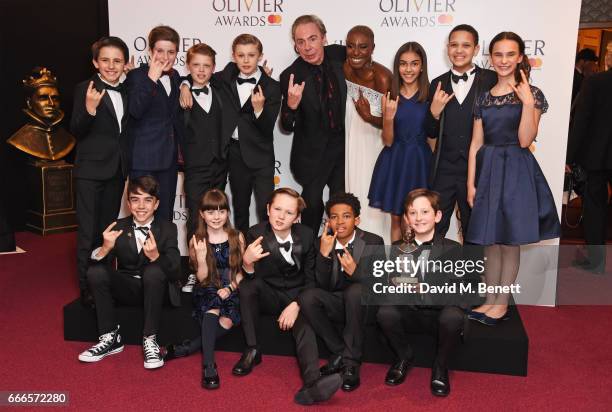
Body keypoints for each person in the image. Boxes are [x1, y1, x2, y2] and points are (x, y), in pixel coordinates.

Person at [466, 32, 560, 324]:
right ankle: (490, 299)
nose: (504, 60)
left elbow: (524, 140)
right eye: (498, 55)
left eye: (510, 54)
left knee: (509, 241)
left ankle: (502, 303)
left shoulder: (533, 94)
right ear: (490, 58)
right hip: (489, 169)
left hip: (517, 170)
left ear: (520, 57)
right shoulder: (482, 97)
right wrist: (471, 183)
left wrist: (528, 103)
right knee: (491, 241)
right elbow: (476, 143)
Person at [78, 175, 181, 369]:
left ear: (156, 204)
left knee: (153, 271)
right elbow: (95, 270)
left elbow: (175, 271)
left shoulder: (168, 228)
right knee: (96, 272)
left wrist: (156, 257)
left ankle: (150, 338)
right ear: (128, 203)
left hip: (158, 290)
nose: (141, 206)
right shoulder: (118, 226)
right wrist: (104, 249)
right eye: (135, 199)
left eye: (147, 200)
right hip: (129, 288)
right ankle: (110, 337)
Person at [377, 189, 467, 397]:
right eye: (413, 213)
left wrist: (427, 290)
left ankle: (440, 366)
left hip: (440, 315)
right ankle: (403, 356)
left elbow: (461, 294)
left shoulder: (454, 249)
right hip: (409, 313)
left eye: (424, 212)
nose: (419, 218)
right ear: (407, 218)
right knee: (384, 312)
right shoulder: (397, 248)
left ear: (437, 216)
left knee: (454, 315)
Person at [296, 192, 384, 399]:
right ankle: (339, 353)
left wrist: (357, 272)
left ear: (357, 220)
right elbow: (321, 286)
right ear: (328, 221)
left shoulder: (373, 241)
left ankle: (351, 364)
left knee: (355, 291)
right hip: (337, 302)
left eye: (346, 216)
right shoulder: (320, 243)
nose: (340, 221)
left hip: (364, 306)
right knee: (308, 297)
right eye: (334, 217)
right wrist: (324, 256)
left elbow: (379, 286)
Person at [163, 189, 245, 389]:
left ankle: (187, 347)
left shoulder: (237, 237)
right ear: (201, 214)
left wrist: (231, 287)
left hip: (233, 288)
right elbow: (202, 278)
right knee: (213, 303)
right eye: (210, 212)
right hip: (207, 286)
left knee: (227, 321)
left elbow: (244, 271)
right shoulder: (196, 239)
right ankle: (209, 366)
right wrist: (200, 258)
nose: (216, 217)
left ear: (227, 213)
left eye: (221, 211)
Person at [71, 36, 131, 308]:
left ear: (125, 64)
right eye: (105, 60)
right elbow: (76, 129)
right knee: (88, 233)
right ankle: (87, 289)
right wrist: (90, 110)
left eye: (117, 60)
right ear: (95, 62)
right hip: (90, 172)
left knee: (107, 232)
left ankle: (103, 282)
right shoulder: (85, 87)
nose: (111, 65)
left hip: (117, 170)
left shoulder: (128, 89)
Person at [232, 188, 316, 377]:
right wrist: (247, 264)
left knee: (305, 326)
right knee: (246, 286)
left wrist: (297, 304)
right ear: (268, 209)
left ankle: (313, 379)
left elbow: (312, 279)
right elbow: (254, 280)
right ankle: (252, 349)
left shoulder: (307, 235)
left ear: (297, 218)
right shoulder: (255, 233)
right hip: (268, 295)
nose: (281, 217)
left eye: (289, 212)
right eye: (277, 209)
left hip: (297, 295)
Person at [425, 24, 497, 239]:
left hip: (477, 169)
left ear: (476, 49)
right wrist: (434, 113)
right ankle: (433, 272)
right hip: (443, 170)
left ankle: (472, 274)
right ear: (447, 48)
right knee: (433, 228)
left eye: (466, 45)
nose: (459, 50)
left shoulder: (491, 80)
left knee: (474, 229)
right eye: (454, 45)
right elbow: (430, 132)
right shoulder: (437, 83)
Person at [280, 15, 347, 233]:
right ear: (295, 45)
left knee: (341, 206)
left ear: (324, 38)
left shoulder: (341, 56)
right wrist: (290, 106)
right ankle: (308, 256)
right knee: (312, 206)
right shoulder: (290, 76)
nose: (307, 47)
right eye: (301, 42)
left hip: (342, 148)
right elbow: (286, 127)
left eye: (312, 39)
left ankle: (338, 255)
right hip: (312, 154)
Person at [369, 42, 432, 242]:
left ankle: (418, 267)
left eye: (414, 64)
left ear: (422, 66)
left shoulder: (431, 96)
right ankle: (399, 267)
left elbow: (433, 139)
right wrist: (388, 117)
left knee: (419, 219)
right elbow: (387, 141)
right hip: (395, 160)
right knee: (397, 218)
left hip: (420, 162)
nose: (408, 69)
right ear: (397, 66)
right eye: (403, 64)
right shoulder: (389, 96)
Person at [126, 25, 183, 222]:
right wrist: (151, 79)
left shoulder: (175, 77)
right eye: (160, 51)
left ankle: (163, 253)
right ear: (150, 51)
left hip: (169, 160)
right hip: (144, 160)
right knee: (141, 217)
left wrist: (184, 86)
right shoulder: (135, 76)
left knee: (165, 215)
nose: (165, 57)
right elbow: (135, 111)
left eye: (171, 52)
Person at [343, 25, 392, 244]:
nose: (355, 52)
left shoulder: (382, 77)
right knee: (355, 190)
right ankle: (356, 248)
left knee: (373, 195)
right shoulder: (346, 67)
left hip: (376, 140)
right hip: (354, 137)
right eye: (351, 46)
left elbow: (396, 121)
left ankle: (378, 250)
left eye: (363, 47)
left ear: (373, 48)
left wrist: (369, 117)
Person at [566, 51, 612, 274]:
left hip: (598, 155)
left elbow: (581, 120)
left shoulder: (596, 81)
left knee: (595, 207)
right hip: (598, 155)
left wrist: (570, 156)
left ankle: (596, 262)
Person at [180, 43, 227, 242]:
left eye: (206, 65)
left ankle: (217, 262)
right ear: (188, 67)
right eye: (196, 65)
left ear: (214, 68)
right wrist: (184, 85)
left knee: (218, 217)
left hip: (220, 166)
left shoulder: (220, 89)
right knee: (195, 219)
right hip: (195, 168)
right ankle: (194, 267)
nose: (201, 70)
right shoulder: (179, 92)